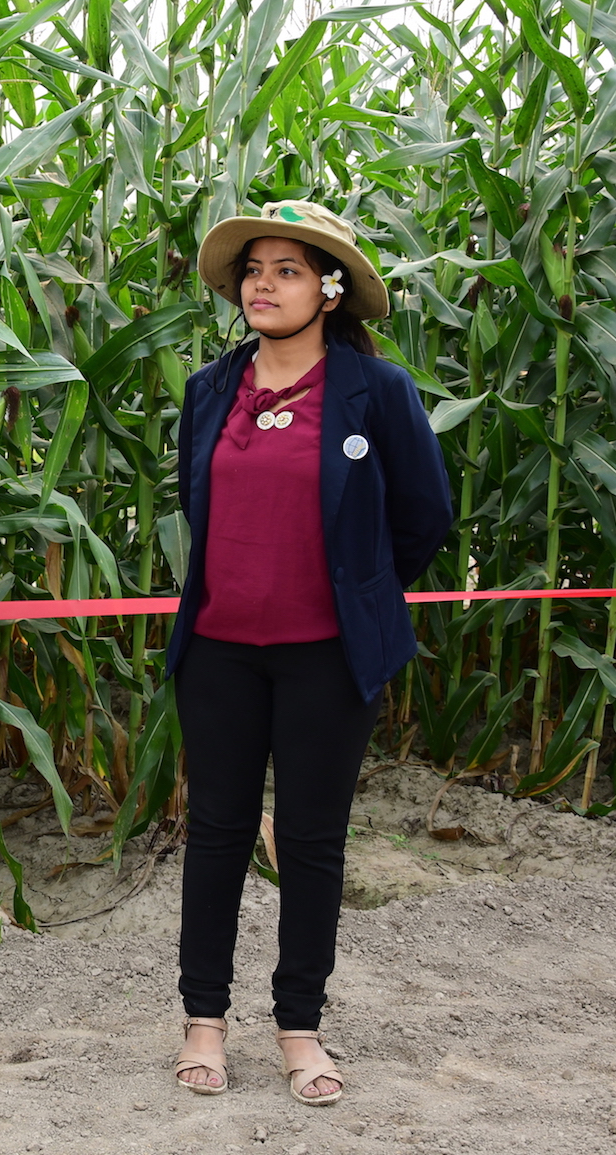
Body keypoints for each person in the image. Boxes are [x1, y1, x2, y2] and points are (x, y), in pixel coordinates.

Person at [164, 201, 452, 1105]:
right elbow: (194, 499)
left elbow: (424, 517)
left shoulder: (380, 392)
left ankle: (299, 1028)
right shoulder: (211, 390)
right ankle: (203, 1021)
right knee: (214, 835)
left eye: (288, 269)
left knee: (313, 842)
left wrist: (356, 590)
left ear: (330, 291)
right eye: (254, 268)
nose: (263, 283)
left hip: (327, 656)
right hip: (218, 648)